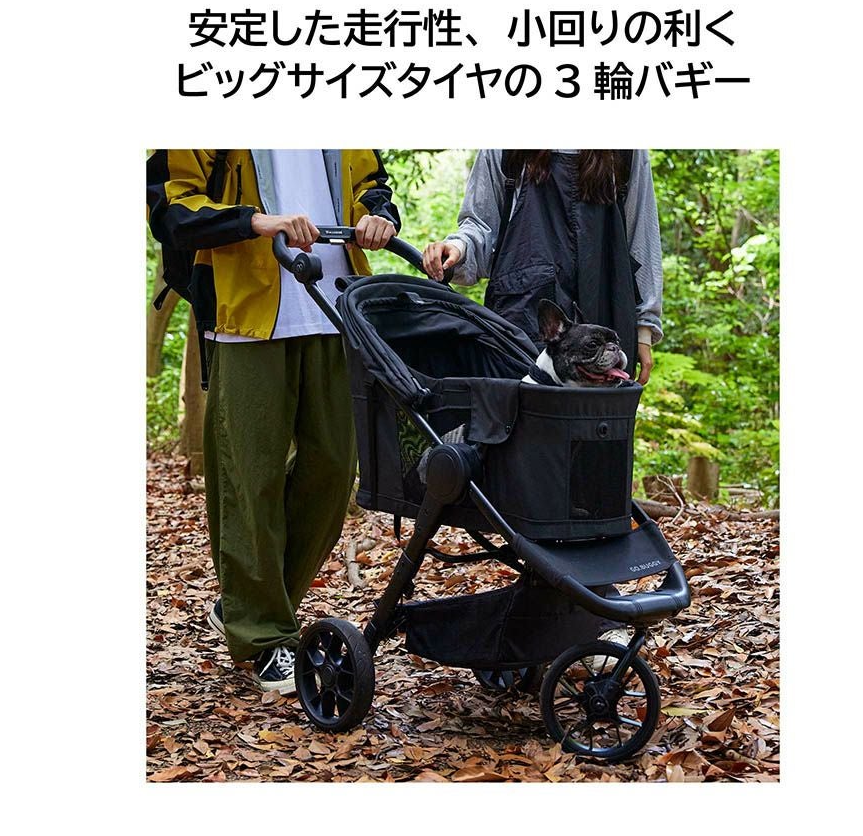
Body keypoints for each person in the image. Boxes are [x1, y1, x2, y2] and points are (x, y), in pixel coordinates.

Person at [149, 149, 399, 692]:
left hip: (335, 307)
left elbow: (370, 183)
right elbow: (170, 206)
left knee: (334, 472)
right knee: (250, 479)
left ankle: (245, 605)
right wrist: (256, 222)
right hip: (245, 313)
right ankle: (262, 633)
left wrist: (377, 216)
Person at [422, 150, 662, 383]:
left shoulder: (625, 152)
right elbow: (480, 224)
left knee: (599, 408)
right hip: (521, 323)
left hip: (606, 312)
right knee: (518, 406)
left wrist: (645, 328)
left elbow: (643, 237)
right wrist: (458, 247)